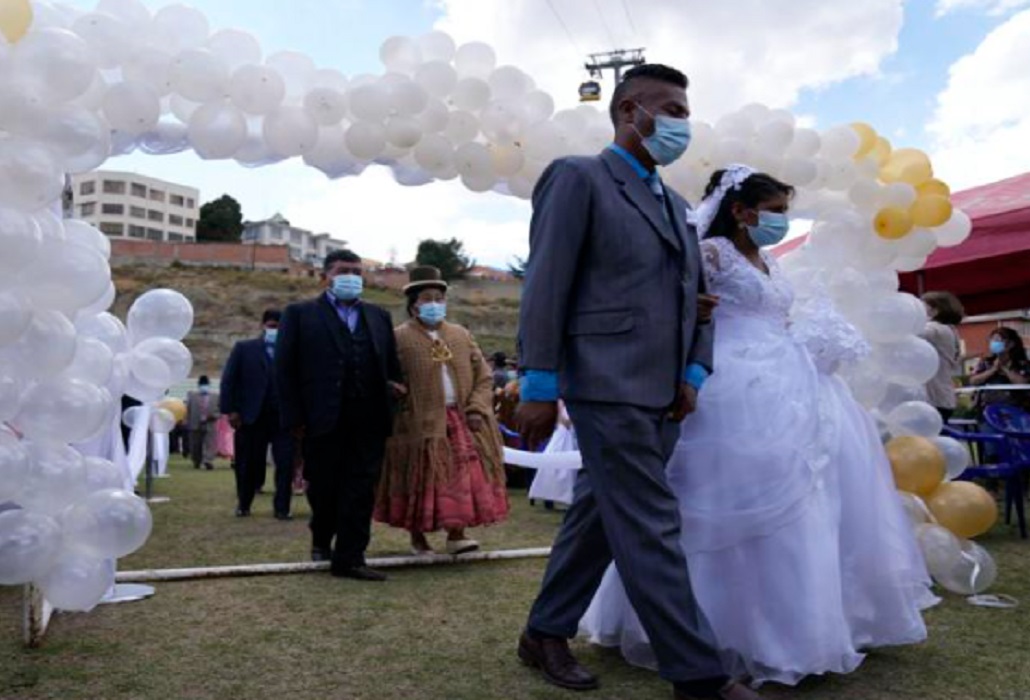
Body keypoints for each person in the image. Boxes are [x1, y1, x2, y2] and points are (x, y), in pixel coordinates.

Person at [580, 165, 930, 687]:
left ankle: (797, 628)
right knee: (722, 489)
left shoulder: (770, 261)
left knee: (810, 492)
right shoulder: (710, 252)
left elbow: (778, 316)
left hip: (790, 375)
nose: (782, 220)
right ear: (741, 211)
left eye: (785, 211)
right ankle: (715, 629)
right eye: (775, 211)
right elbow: (670, 300)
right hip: (729, 377)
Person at [513, 64, 753, 700]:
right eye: (671, 110)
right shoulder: (578, 177)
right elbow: (546, 283)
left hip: (666, 392)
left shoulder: (677, 206)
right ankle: (699, 676)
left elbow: (699, 297)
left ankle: (544, 632)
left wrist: (694, 369)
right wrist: (538, 384)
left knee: (599, 516)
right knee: (651, 524)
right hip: (605, 382)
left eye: (686, 112)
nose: (681, 124)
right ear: (628, 110)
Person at [276, 250, 406, 582]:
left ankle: (351, 557)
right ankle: (321, 536)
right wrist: (294, 418)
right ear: (326, 276)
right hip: (321, 417)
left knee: (361, 487)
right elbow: (285, 370)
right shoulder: (299, 314)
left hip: (369, 416)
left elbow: (391, 364)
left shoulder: (378, 316)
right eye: (344, 270)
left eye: (357, 271)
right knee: (324, 486)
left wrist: (394, 386)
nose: (352, 277)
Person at [374, 266, 509, 556]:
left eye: (439, 298)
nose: (434, 304)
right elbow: (383, 374)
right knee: (420, 478)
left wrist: (476, 408)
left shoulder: (461, 334)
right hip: (416, 422)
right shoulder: (397, 338)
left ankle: (457, 534)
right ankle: (418, 537)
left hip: (460, 420)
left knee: (462, 476)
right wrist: (393, 390)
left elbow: (483, 376)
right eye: (427, 298)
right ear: (414, 305)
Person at [220, 309, 296, 520]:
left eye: (280, 327)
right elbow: (229, 380)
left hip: (283, 418)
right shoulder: (244, 349)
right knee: (248, 464)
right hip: (251, 417)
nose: (275, 330)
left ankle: (282, 508)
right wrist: (231, 410)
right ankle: (244, 503)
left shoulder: (293, 350)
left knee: (285, 464)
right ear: (263, 326)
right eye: (272, 326)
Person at [920, 291, 965, 422]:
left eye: (922, 307)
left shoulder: (935, 329)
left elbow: (909, 334)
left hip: (933, 398)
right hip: (943, 398)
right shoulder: (950, 330)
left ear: (935, 311)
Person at [970, 327, 1030, 410]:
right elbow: (973, 380)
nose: (994, 343)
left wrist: (1005, 369)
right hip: (987, 409)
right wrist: (992, 370)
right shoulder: (986, 362)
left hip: (1016, 409)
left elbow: (1022, 383)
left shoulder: (1023, 364)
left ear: (1011, 344)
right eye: (992, 340)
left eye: (998, 340)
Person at [185, 376, 220, 470]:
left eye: (205, 384)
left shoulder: (216, 396)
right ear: (198, 385)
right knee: (195, 444)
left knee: (210, 443)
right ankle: (196, 460)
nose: (204, 386)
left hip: (210, 423)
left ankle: (208, 461)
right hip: (195, 423)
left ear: (209, 385)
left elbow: (220, 410)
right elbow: (188, 410)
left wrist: (214, 416)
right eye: (202, 385)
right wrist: (187, 422)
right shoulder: (192, 396)